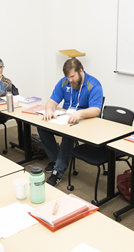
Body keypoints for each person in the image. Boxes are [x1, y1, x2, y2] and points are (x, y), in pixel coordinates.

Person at [39, 58, 103, 187]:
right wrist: (49, 110)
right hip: (67, 117)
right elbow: (52, 101)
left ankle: (58, 172)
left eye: (72, 76)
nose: (70, 80)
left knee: (68, 135)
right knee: (42, 126)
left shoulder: (94, 84)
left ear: (81, 71)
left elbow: (96, 110)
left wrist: (80, 113)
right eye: (67, 77)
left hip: (86, 120)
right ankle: (56, 159)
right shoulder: (64, 82)